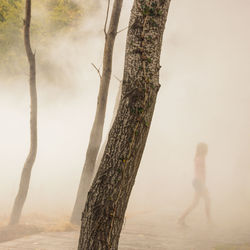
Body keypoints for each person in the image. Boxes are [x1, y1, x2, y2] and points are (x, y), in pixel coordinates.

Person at [178, 142, 211, 226]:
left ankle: (181, 218)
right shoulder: (201, 158)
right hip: (199, 182)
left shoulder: (197, 157)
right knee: (206, 200)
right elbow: (201, 172)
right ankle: (209, 221)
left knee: (196, 203)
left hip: (197, 182)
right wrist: (203, 184)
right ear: (203, 150)